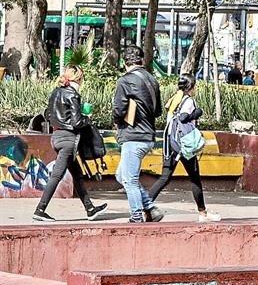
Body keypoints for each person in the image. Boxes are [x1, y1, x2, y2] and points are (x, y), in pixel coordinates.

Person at [32, 67, 107, 222]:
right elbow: (76, 121)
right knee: (56, 175)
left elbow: (47, 114)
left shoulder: (55, 92)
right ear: (78, 79)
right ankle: (40, 209)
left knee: (77, 175)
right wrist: (88, 118)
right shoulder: (73, 94)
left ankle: (90, 209)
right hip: (68, 140)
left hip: (56, 137)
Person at [148, 75, 220, 222]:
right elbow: (183, 118)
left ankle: (143, 206)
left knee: (165, 177)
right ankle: (203, 213)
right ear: (191, 87)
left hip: (170, 143)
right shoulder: (188, 100)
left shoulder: (175, 98)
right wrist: (197, 113)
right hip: (184, 145)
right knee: (194, 178)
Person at [113, 45, 163, 223]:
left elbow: (118, 110)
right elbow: (158, 111)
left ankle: (136, 216)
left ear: (124, 62)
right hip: (148, 135)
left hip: (133, 136)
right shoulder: (152, 79)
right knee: (121, 175)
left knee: (129, 180)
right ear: (141, 60)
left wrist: (118, 123)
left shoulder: (125, 81)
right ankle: (150, 207)